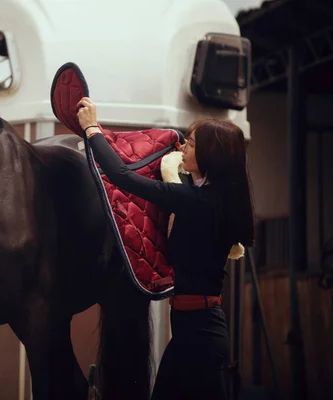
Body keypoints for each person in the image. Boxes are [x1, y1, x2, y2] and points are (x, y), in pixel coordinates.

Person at [76, 97, 254, 399]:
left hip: (200, 336)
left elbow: (121, 176)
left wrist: (92, 128)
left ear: (211, 156)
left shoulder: (198, 202)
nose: (183, 148)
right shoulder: (212, 198)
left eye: (192, 145)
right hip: (194, 332)